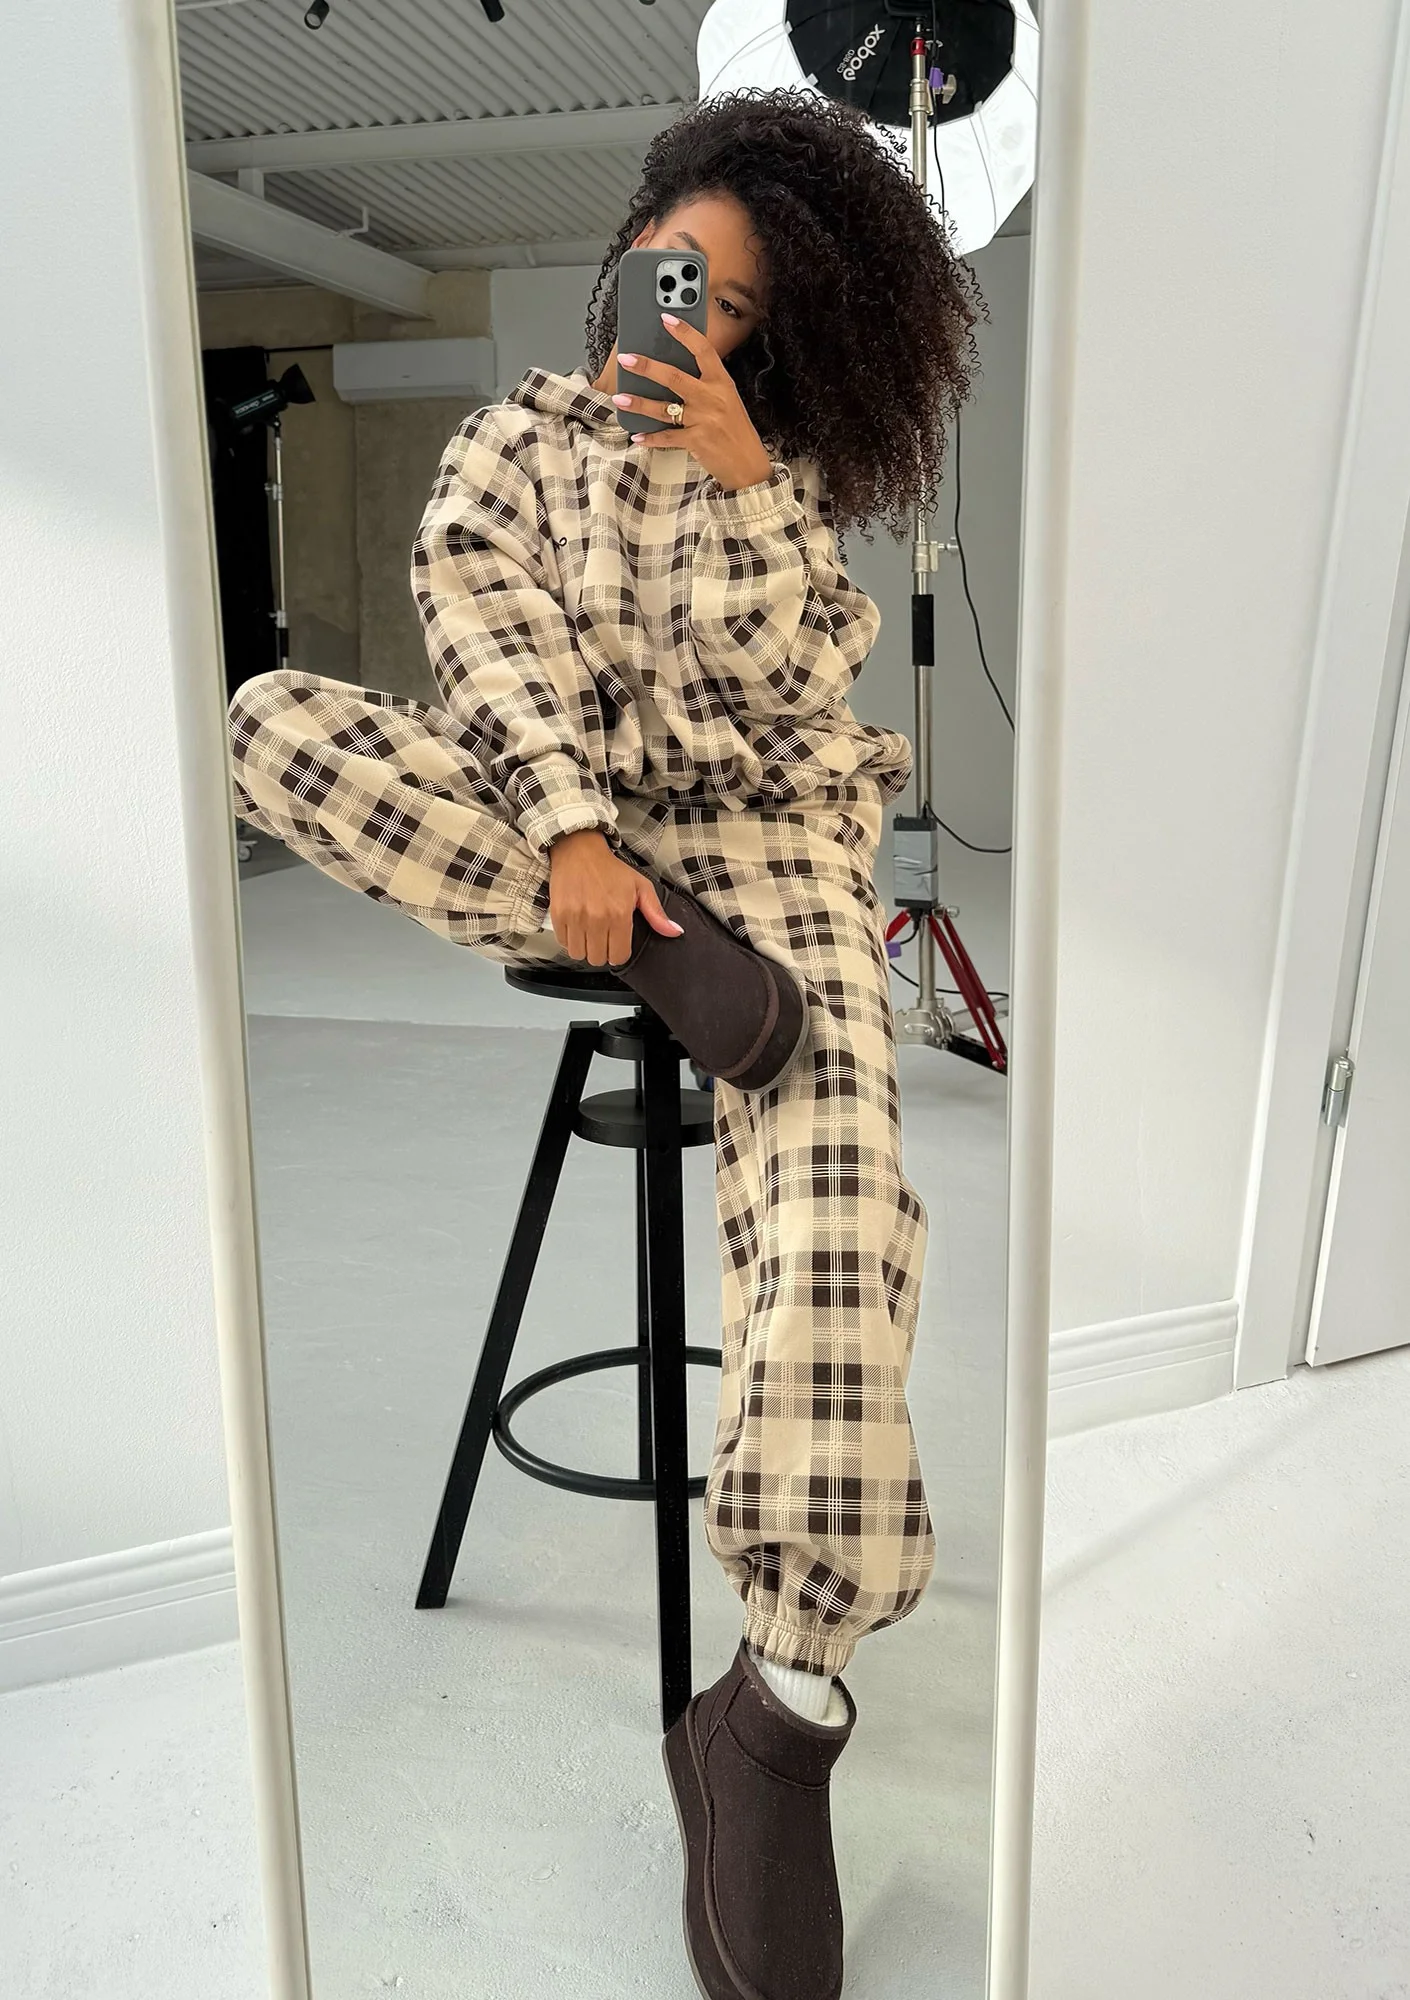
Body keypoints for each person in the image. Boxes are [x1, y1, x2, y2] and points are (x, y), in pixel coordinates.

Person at [228, 86, 983, 2000]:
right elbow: (481, 648)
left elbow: (798, 696)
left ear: (775, 334)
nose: (687, 316)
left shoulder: (780, 471)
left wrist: (741, 482)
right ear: (627, 251)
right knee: (271, 724)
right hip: (556, 831)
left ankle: (773, 1716)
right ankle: (659, 949)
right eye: (673, 273)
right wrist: (569, 827)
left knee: (839, 1213)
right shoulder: (511, 444)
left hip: (771, 854)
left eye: (733, 305)